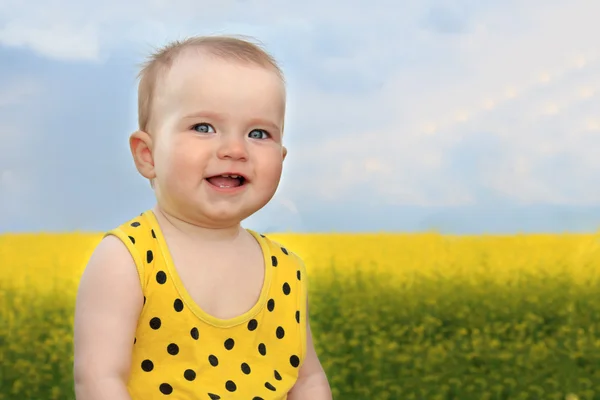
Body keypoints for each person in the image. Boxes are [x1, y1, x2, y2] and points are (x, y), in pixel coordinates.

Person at [73, 35, 332, 400]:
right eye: (204, 128)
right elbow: (99, 379)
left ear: (282, 156)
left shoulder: (287, 270)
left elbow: (307, 380)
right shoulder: (128, 259)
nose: (234, 150)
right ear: (147, 155)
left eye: (259, 133)